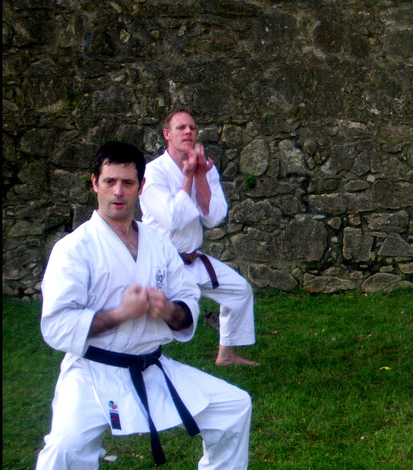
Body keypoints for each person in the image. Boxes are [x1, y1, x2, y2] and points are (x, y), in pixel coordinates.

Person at [37, 141, 251, 469]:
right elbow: (57, 324)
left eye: (127, 182)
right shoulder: (74, 248)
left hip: (151, 367)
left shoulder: (158, 243)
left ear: (141, 186)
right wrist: (121, 314)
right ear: (94, 183)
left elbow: (188, 302)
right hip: (93, 372)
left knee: (234, 407)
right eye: (109, 181)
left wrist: (168, 310)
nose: (118, 191)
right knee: (65, 448)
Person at [140, 109, 258, 366]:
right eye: (181, 128)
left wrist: (201, 177)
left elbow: (213, 218)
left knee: (240, 291)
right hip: (161, 263)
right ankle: (141, 360)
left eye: (192, 128)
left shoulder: (205, 168)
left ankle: (226, 355)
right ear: (166, 134)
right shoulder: (153, 173)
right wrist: (187, 178)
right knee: (148, 317)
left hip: (193, 259)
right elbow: (173, 218)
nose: (188, 132)